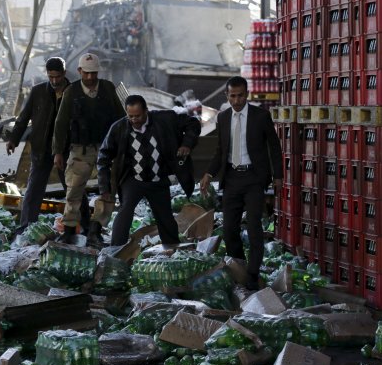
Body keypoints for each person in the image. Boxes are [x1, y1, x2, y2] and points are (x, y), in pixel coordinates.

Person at [199, 76, 283, 291]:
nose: (237, 100)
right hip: (232, 178)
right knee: (229, 229)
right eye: (233, 96)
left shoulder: (261, 116)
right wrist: (209, 173)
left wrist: (278, 176)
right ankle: (239, 266)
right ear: (226, 96)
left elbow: (274, 147)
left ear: (247, 94)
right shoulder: (224, 117)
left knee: (254, 227)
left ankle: (253, 274)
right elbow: (221, 150)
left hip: (254, 178)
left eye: (241, 95)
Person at [97, 94, 200, 248]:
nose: (134, 120)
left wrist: (186, 144)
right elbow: (103, 157)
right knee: (124, 213)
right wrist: (104, 187)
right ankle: (115, 251)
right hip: (134, 180)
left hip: (158, 180)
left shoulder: (165, 119)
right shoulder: (119, 128)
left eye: (137, 116)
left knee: (165, 218)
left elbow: (193, 123)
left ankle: (173, 250)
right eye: (130, 116)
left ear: (146, 111)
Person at [52, 53, 125, 246]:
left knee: (107, 191)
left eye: (94, 73)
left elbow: (121, 119)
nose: (91, 78)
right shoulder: (72, 91)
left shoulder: (108, 89)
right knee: (74, 190)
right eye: (87, 73)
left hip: (106, 149)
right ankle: (68, 230)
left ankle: (96, 230)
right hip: (80, 149)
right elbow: (60, 124)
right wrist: (58, 151)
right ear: (79, 72)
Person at [6, 57, 70, 231]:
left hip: (65, 150)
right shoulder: (38, 92)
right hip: (41, 148)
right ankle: (26, 226)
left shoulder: (73, 92)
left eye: (57, 77)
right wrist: (14, 139)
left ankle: (82, 226)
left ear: (64, 73)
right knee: (34, 189)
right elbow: (24, 117)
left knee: (72, 190)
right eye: (51, 77)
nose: (55, 81)